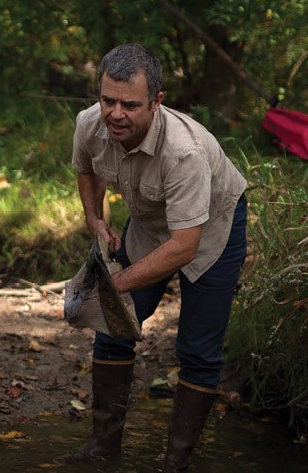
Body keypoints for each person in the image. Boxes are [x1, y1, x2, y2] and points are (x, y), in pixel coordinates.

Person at [68, 43, 248, 471]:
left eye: (130, 105)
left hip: (213, 229)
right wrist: (95, 219)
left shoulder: (185, 152)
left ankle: (176, 462)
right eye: (108, 101)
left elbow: (184, 246)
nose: (116, 114)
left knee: (197, 350)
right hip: (150, 222)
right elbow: (87, 169)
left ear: (156, 101)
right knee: (113, 327)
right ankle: (103, 448)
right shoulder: (90, 123)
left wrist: (112, 284)